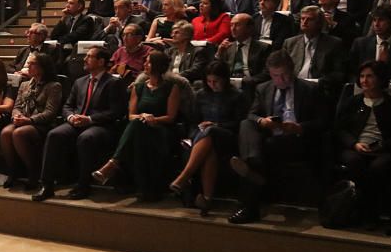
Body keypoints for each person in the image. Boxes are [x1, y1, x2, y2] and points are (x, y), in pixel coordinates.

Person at [228, 50, 326, 224]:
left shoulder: (310, 89)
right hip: (270, 136)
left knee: (263, 149)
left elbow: (322, 121)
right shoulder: (263, 88)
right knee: (246, 124)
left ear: (292, 69)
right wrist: (262, 121)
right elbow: (252, 114)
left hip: (296, 139)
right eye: (276, 76)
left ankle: (249, 191)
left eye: (284, 75)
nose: (281, 80)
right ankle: (252, 163)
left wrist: (300, 128)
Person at [33, 46, 123, 201]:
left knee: (86, 138)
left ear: (101, 61)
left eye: (89, 56)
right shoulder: (79, 81)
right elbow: (67, 105)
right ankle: (47, 185)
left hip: (100, 125)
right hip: (76, 122)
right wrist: (70, 117)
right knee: (55, 134)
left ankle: (83, 184)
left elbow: (116, 111)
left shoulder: (113, 82)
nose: (85, 59)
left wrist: (89, 119)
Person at [92, 50, 182, 201]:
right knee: (138, 126)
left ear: (158, 65)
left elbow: (171, 117)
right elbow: (131, 115)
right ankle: (145, 189)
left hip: (162, 129)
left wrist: (154, 119)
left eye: (149, 62)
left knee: (138, 128)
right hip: (141, 127)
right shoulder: (138, 87)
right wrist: (143, 117)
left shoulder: (172, 87)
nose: (145, 64)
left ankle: (114, 163)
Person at [169, 61, 248, 215]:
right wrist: (199, 129)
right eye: (209, 81)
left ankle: (184, 176)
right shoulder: (201, 95)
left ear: (225, 79)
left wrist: (217, 124)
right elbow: (193, 121)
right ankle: (207, 199)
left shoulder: (237, 96)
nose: (212, 85)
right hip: (203, 136)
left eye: (216, 81)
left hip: (227, 134)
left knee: (211, 131)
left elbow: (240, 122)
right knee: (209, 150)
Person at [335, 61, 391, 226]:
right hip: (355, 147)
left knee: (378, 167)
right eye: (362, 76)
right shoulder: (352, 102)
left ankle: (369, 212)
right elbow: (339, 129)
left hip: (383, 149)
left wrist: (383, 145)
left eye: (370, 76)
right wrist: (354, 144)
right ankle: (362, 210)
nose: (364, 80)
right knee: (355, 161)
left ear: (381, 79)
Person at [0, 53, 62, 190]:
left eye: (32, 64)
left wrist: (29, 120)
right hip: (23, 119)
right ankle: (13, 171)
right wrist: (16, 116)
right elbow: (16, 107)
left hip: (40, 123)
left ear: (42, 67)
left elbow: (50, 113)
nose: (28, 66)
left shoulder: (54, 86)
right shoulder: (24, 84)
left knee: (19, 133)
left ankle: (34, 172)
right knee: (5, 133)